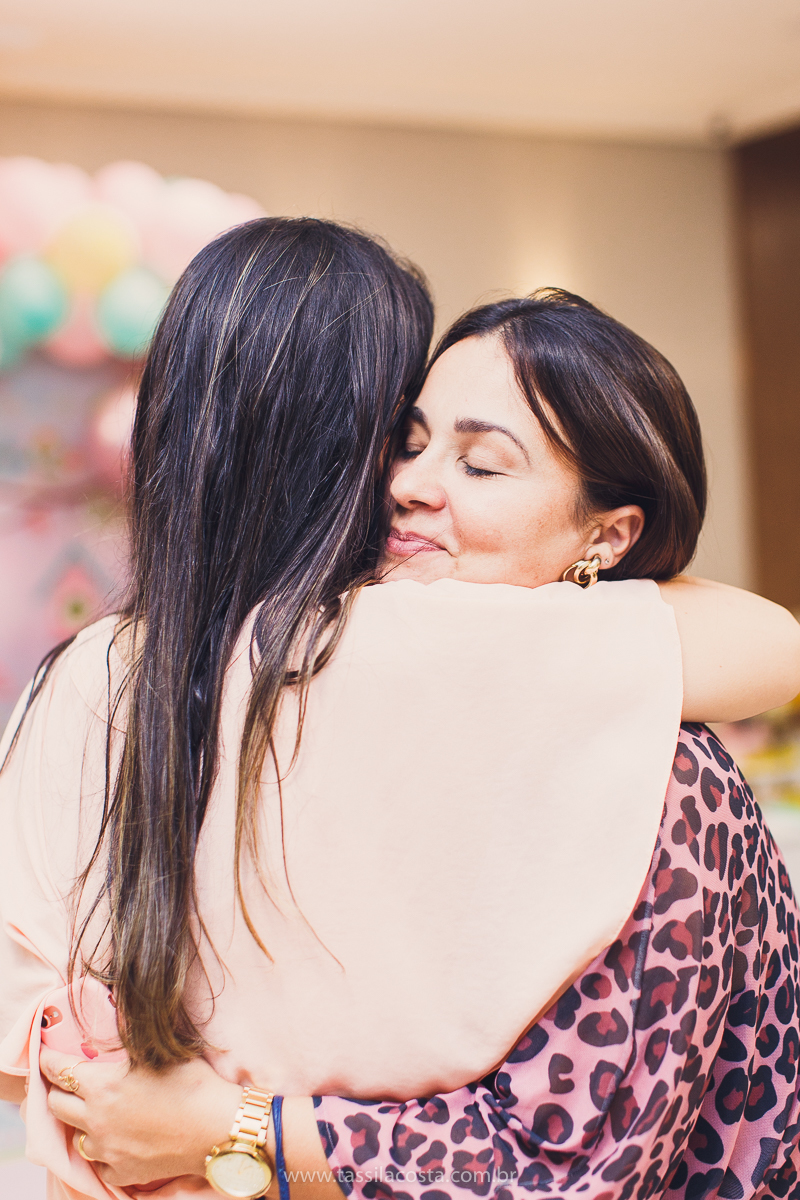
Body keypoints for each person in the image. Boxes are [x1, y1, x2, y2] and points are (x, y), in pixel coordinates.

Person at [1, 238, 798, 1200]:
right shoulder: (516, 682)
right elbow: (769, 640)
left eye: (483, 464)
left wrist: (224, 1130)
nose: (410, 484)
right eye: (406, 441)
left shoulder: (99, 672)